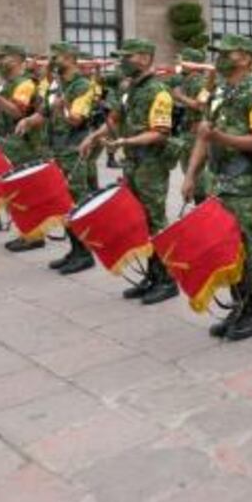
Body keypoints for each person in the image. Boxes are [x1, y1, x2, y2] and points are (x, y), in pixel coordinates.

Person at [182, 34, 252, 340]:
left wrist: (221, 138)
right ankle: (240, 305)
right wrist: (191, 175)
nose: (221, 58)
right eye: (219, 53)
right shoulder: (220, 90)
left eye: (229, 53)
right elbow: (204, 135)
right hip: (217, 181)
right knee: (225, 246)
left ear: (247, 58)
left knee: (243, 247)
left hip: (244, 182)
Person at [80, 38, 179, 305]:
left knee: (156, 222)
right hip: (133, 163)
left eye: (128, 56)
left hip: (151, 165)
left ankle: (167, 280)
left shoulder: (159, 90)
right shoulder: (130, 89)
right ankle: (152, 275)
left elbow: (160, 133)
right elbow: (115, 120)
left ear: (145, 58)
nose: (123, 62)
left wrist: (126, 141)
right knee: (141, 220)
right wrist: (93, 136)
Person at [15, 42, 97, 274]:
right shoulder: (54, 84)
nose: (52, 60)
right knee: (62, 202)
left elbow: (77, 119)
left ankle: (85, 254)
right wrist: (28, 121)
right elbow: (44, 113)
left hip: (73, 152)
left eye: (56, 56)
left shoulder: (83, 86)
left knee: (75, 202)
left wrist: (63, 107)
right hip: (56, 151)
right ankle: (74, 250)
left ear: (70, 58)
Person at [0, 44, 46, 251]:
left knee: (26, 192)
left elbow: (16, 112)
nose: (0, 61)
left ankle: (34, 237)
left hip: (24, 146)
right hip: (7, 144)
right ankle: (26, 233)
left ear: (18, 60)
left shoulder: (25, 84)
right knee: (14, 192)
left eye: (4, 57)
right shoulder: (7, 84)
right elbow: (1, 115)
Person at [171, 47, 212, 205]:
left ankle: (202, 203)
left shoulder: (198, 82)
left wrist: (179, 97)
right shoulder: (187, 80)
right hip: (189, 129)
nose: (179, 64)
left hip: (195, 132)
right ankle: (200, 201)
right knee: (190, 169)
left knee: (195, 170)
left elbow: (201, 105)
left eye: (182, 61)